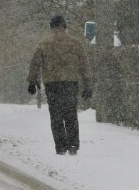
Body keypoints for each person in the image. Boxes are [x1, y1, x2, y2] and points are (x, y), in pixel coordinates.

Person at [27, 15, 92, 155]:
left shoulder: (44, 43)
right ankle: (73, 145)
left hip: (52, 84)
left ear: (52, 26)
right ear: (64, 26)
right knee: (71, 115)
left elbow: (35, 63)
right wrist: (87, 85)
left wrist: (32, 81)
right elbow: (84, 66)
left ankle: (61, 147)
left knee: (56, 116)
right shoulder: (75, 43)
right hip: (70, 83)